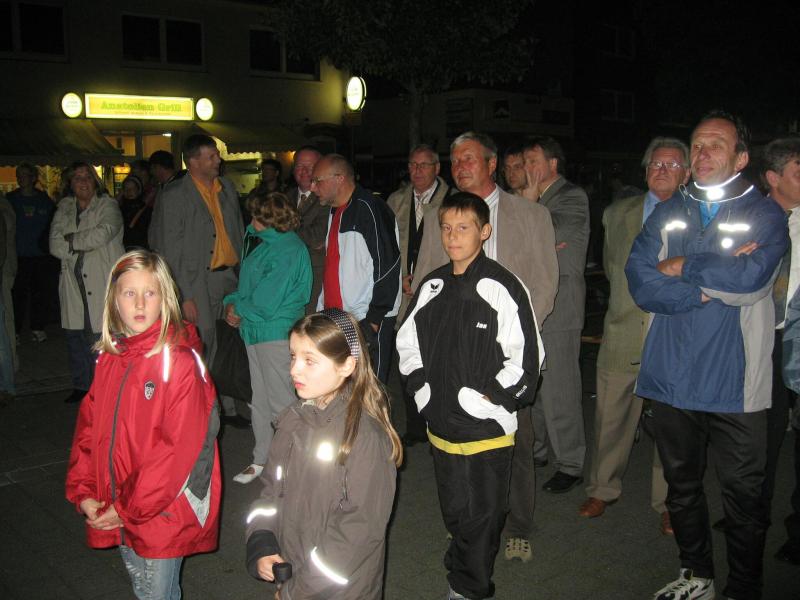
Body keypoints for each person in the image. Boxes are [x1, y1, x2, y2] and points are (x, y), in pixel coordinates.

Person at [626, 110, 788, 600]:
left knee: (743, 497)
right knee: (681, 488)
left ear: (740, 157)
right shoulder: (670, 209)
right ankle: (697, 575)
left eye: (716, 144)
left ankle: (744, 586)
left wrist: (682, 265)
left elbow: (751, 280)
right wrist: (701, 288)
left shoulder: (764, 213)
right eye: (697, 144)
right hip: (670, 376)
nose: (702, 153)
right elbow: (640, 280)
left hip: (733, 381)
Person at [412, 131, 558, 563]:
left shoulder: (530, 214)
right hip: (450, 352)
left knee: (514, 441)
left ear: (492, 164)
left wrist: (513, 344)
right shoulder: (441, 216)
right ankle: (467, 524)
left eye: (469, 158)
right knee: (452, 439)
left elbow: (545, 284)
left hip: (504, 352)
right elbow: (425, 279)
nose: (459, 167)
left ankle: (518, 526)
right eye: (455, 160)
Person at [397, 192, 542, 600]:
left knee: (484, 515)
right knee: (456, 511)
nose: (453, 236)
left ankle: (469, 588)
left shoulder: (502, 286)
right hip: (441, 427)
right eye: (446, 227)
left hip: (486, 430)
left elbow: (527, 358)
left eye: (463, 228)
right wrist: (422, 389)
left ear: (484, 231)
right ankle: (463, 563)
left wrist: (492, 398)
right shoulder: (432, 285)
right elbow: (407, 343)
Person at [65, 250, 221, 600]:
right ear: (113, 300)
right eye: (129, 293)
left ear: (165, 299)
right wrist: (85, 491)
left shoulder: (179, 363)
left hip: (164, 509)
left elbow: (176, 452)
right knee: (144, 589)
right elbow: (89, 430)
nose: (139, 303)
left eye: (149, 293)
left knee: (155, 594)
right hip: (119, 501)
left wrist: (125, 508)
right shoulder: (111, 358)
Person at [245, 308, 402, 599]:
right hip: (294, 569)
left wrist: (297, 591)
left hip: (337, 589)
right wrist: (262, 540)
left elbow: (357, 534)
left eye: (309, 360)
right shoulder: (292, 421)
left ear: (346, 366)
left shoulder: (364, 438)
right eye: (293, 356)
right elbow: (271, 489)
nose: (294, 370)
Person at [578, 137, 689, 534]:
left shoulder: (698, 215)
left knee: (672, 427)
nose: (662, 170)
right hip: (623, 327)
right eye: (655, 164)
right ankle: (602, 488)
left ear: (687, 174)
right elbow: (613, 269)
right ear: (644, 171)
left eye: (672, 165)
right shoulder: (616, 213)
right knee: (610, 417)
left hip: (675, 335)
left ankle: (669, 501)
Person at [158, 134, 247, 427]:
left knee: (231, 341)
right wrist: (183, 295)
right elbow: (169, 249)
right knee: (204, 345)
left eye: (217, 155)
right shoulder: (174, 195)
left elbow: (239, 232)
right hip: (198, 282)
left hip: (230, 277)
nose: (218, 160)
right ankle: (201, 412)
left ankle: (228, 406)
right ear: (193, 161)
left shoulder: (226, 188)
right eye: (211, 156)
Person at [224, 191, 312, 484]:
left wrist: (237, 307)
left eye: (256, 217)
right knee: (260, 401)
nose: (251, 222)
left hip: (275, 333)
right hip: (257, 331)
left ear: (270, 220)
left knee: (281, 404)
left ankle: (295, 466)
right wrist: (232, 303)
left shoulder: (287, 248)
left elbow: (266, 301)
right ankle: (262, 458)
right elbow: (248, 287)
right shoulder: (265, 242)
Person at [521, 136, 591, 495]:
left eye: (533, 161)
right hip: (532, 304)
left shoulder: (571, 197)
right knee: (533, 383)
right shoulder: (532, 200)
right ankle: (538, 449)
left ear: (552, 164)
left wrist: (531, 210)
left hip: (561, 307)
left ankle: (571, 463)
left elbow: (553, 233)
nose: (526, 168)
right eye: (524, 162)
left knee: (561, 388)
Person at [312, 153, 401, 384]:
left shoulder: (370, 209)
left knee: (370, 390)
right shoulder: (335, 210)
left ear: (339, 178)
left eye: (318, 181)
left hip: (365, 319)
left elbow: (388, 265)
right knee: (344, 389)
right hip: (337, 317)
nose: (313, 187)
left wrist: (373, 320)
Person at [387, 143, 450, 445]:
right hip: (404, 294)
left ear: (437, 168)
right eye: (412, 165)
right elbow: (387, 246)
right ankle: (415, 426)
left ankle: (439, 421)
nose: (417, 170)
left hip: (439, 293)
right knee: (406, 359)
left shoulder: (453, 200)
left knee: (438, 360)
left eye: (424, 165)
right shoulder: (396, 201)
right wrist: (397, 278)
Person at [50, 162, 124, 404]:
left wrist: (71, 240)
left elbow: (104, 233)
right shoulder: (64, 208)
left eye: (87, 177)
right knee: (76, 337)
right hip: (73, 282)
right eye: (77, 178)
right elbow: (54, 245)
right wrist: (80, 242)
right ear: (70, 183)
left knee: (100, 337)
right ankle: (82, 386)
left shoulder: (108, 205)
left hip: (101, 279)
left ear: (95, 181)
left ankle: (104, 387)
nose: (82, 182)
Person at [9, 163, 52, 346]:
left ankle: (37, 327)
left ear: (33, 177)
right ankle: (15, 330)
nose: (21, 178)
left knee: (39, 293)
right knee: (17, 295)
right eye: (18, 175)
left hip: (40, 255)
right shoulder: (11, 200)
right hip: (18, 255)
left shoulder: (44, 200)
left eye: (25, 175)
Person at [286, 146, 328, 315]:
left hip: (314, 277)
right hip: (285, 275)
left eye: (310, 167)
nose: (303, 171)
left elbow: (317, 237)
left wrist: (282, 230)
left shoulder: (326, 199)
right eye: (299, 166)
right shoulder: (283, 197)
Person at [118, 174, 151, 250]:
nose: (129, 191)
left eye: (132, 188)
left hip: (141, 249)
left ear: (138, 190)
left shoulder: (147, 210)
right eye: (126, 189)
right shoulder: (119, 210)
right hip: (123, 249)